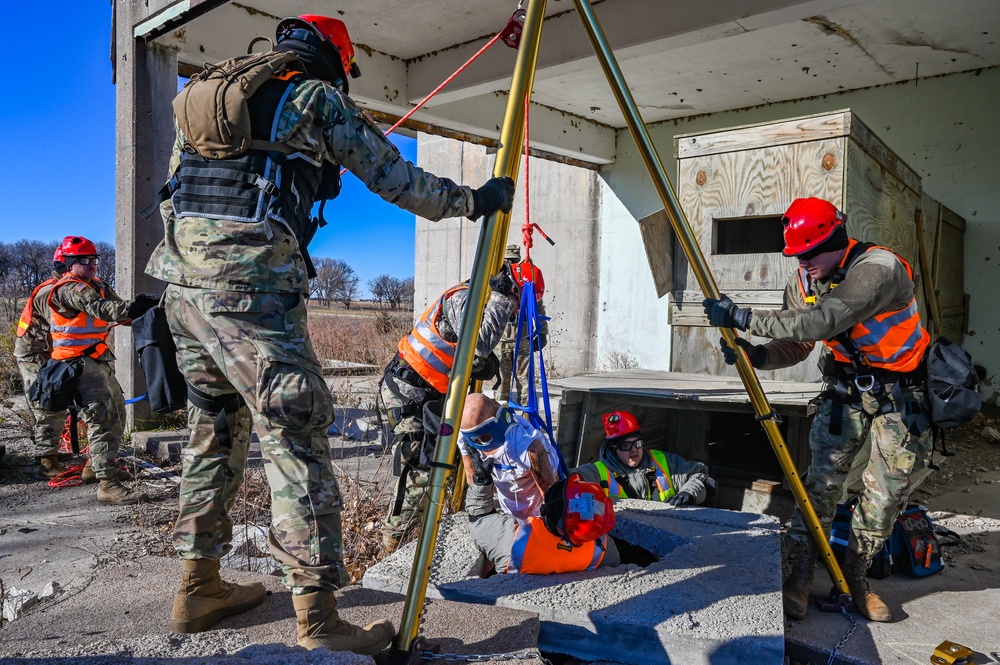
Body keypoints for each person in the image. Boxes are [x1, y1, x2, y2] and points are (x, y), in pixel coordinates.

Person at [144, 13, 515, 655]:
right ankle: (319, 621)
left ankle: (197, 586)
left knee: (214, 430)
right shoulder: (313, 97)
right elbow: (398, 181)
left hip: (182, 291)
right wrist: (475, 201)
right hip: (254, 292)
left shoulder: (209, 98)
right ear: (334, 60)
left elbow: (197, 189)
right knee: (297, 436)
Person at [702, 197, 933, 623]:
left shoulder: (878, 269)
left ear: (837, 239)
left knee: (887, 492)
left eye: (809, 253)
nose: (802, 263)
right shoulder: (805, 279)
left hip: (900, 394)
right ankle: (800, 575)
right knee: (821, 485)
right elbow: (798, 342)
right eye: (795, 255)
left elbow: (823, 322)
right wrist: (758, 355)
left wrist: (743, 316)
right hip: (846, 391)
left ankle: (856, 577)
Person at [380, 271, 520, 551]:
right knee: (423, 466)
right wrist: (504, 299)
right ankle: (393, 542)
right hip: (410, 393)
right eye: (514, 303)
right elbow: (479, 342)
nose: (513, 311)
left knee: (455, 458)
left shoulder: (477, 304)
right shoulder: (462, 298)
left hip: (433, 393)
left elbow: (465, 352)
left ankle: (448, 521)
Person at [46, 236, 157, 503]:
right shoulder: (70, 289)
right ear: (69, 264)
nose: (91, 265)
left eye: (94, 259)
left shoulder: (96, 285)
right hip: (77, 364)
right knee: (103, 420)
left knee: (117, 413)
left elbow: (124, 315)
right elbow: (105, 309)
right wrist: (133, 307)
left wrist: (150, 307)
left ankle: (95, 468)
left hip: (97, 362)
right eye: (83, 261)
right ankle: (107, 485)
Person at [457, 394, 619, 573]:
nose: (498, 402)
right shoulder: (602, 547)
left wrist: (549, 523)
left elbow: (552, 496)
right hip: (521, 517)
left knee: (493, 548)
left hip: (536, 516)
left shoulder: (527, 447)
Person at [16, 245, 74, 478]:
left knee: (44, 403)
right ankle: (47, 461)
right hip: (35, 355)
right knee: (47, 404)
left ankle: (47, 452)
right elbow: (62, 326)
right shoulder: (49, 292)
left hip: (41, 353)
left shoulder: (57, 288)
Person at [573, 410, 713, 506]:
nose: (634, 450)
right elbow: (568, 480)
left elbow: (702, 475)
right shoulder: (596, 472)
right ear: (613, 448)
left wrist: (689, 492)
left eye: (637, 443)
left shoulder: (662, 460)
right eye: (625, 445)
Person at [497, 244, 548, 405]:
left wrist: (542, 333)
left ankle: (520, 415)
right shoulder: (500, 281)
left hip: (513, 338)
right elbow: (539, 308)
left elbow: (538, 307)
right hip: (505, 338)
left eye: (513, 261)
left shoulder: (526, 281)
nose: (511, 264)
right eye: (509, 261)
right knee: (507, 381)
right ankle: (508, 415)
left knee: (514, 380)